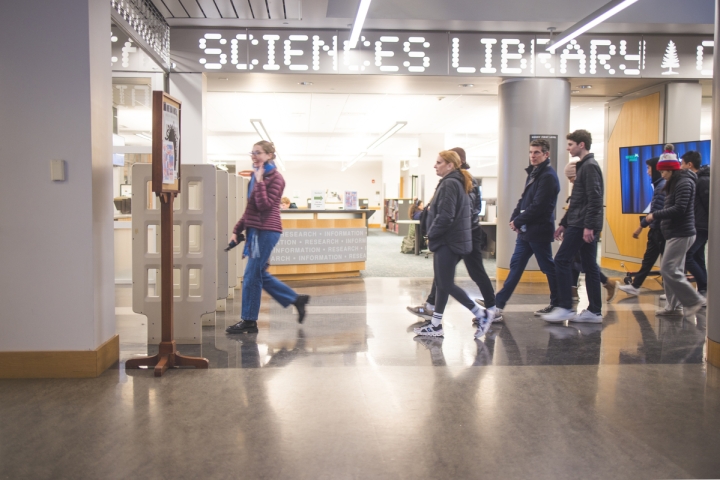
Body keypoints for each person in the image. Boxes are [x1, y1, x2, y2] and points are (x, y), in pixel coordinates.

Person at [226, 141, 310, 334]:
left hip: (267, 231)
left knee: (251, 275)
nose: (254, 156)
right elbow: (251, 209)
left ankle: (248, 321)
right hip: (255, 231)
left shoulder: (276, 178)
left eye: (259, 153)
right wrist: (237, 230)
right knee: (259, 274)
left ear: (270, 155)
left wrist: (261, 181)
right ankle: (296, 300)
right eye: (252, 153)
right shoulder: (256, 177)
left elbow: (265, 205)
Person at [407, 148, 498, 324]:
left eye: (440, 162)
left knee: (466, 274)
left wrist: (433, 233)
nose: (435, 165)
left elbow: (458, 211)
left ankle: (488, 311)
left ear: (455, 163)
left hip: (463, 234)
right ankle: (434, 313)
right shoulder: (455, 180)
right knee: (444, 276)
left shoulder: (461, 181)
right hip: (460, 233)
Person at [542, 130, 605, 324]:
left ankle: (565, 307)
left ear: (581, 145)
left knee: (561, 260)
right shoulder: (584, 166)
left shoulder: (590, 167)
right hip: (579, 222)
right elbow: (577, 201)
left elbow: (595, 199)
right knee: (590, 265)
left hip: (582, 225)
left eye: (570, 144)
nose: (568, 148)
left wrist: (589, 227)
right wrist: (563, 223)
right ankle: (594, 311)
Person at [493, 139, 560, 317]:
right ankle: (498, 304)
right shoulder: (534, 174)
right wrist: (515, 218)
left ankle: (559, 303)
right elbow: (524, 200)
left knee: (547, 267)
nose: (532, 156)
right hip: (526, 231)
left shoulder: (548, 176)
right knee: (516, 266)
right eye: (531, 152)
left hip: (538, 231)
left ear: (546, 154)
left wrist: (518, 221)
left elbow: (539, 206)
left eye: (537, 152)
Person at [644, 147, 705, 316]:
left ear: (671, 169)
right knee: (674, 269)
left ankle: (693, 300)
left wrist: (654, 215)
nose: (661, 174)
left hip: (682, 232)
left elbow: (679, 209)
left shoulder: (684, 182)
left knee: (668, 269)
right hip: (673, 232)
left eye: (664, 171)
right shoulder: (673, 182)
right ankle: (672, 306)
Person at [564, 161, 617, 302]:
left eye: (571, 178)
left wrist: (588, 227)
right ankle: (573, 290)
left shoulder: (587, 185)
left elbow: (592, 205)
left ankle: (606, 283)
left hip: (583, 228)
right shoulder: (578, 189)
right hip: (577, 226)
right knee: (574, 260)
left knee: (583, 262)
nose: (571, 181)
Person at [618, 156, 667, 296]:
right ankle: (636, 286)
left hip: (660, 230)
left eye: (649, 168)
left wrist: (640, 227)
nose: (647, 172)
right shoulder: (659, 185)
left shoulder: (661, 186)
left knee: (668, 264)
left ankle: (675, 293)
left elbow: (655, 211)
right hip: (656, 230)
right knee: (649, 260)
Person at [680, 150, 709, 298]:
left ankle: (704, 287)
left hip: (701, 226)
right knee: (697, 257)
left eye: (682, 163)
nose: (680, 166)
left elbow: (709, 205)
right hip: (697, 224)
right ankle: (703, 289)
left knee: (687, 255)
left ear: (689, 164)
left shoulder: (702, 181)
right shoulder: (696, 180)